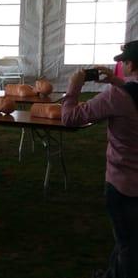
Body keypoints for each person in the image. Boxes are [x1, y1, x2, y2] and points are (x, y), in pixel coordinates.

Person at [61, 40, 138, 278]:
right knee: (131, 239)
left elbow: (71, 118)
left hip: (124, 182)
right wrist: (115, 81)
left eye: (123, 62)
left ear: (130, 64)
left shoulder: (117, 97)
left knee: (128, 244)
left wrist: (73, 89)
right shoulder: (122, 90)